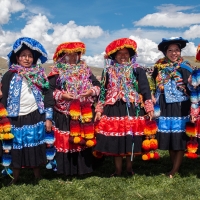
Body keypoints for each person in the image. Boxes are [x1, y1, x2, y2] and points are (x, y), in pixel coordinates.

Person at [94, 38, 154, 176]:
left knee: (130, 138)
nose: (123, 56)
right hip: (113, 108)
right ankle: (118, 169)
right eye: (119, 54)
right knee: (117, 139)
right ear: (114, 56)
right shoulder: (108, 71)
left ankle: (129, 168)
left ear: (130, 55)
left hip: (131, 107)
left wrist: (149, 107)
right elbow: (103, 91)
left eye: (126, 53)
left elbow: (145, 89)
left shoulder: (137, 70)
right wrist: (99, 109)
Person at [0, 37, 54, 184]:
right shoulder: (9, 75)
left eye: (30, 56)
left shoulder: (40, 75)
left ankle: (37, 175)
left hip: (35, 115)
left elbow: (48, 96)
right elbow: (3, 98)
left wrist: (48, 117)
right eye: (23, 55)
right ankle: (15, 177)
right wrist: (2, 119)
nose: (27, 59)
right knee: (16, 147)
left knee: (35, 145)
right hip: (14, 116)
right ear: (17, 57)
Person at [48, 42, 100, 176]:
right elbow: (49, 91)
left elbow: (97, 85)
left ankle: (84, 168)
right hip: (64, 112)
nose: (72, 58)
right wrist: (62, 95)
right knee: (67, 140)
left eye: (75, 54)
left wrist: (90, 92)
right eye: (68, 55)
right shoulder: (56, 71)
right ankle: (65, 169)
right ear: (62, 56)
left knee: (83, 138)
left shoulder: (85, 69)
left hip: (83, 111)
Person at [151, 37, 192, 178]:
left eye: (177, 50)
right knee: (170, 136)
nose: (174, 53)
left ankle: (175, 169)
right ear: (165, 52)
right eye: (170, 50)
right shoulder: (159, 67)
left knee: (179, 136)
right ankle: (174, 165)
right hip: (163, 104)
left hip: (180, 105)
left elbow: (192, 88)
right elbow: (154, 84)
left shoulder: (185, 67)